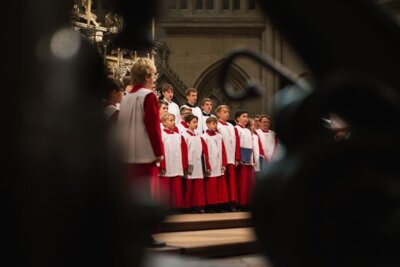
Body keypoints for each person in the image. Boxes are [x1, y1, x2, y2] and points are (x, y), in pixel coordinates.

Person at [117, 57, 165, 247]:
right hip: (144, 153)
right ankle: (146, 235)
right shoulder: (148, 96)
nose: (154, 79)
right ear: (147, 76)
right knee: (147, 195)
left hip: (127, 154)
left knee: (131, 195)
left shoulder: (127, 97)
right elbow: (153, 126)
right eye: (153, 75)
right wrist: (159, 152)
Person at [159, 113, 188, 214]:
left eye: (174, 120)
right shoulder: (162, 135)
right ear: (164, 123)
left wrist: (184, 165)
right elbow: (160, 151)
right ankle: (166, 207)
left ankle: (176, 206)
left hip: (177, 165)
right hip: (166, 166)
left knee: (176, 187)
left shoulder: (178, 136)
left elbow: (184, 152)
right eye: (170, 120)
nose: (173, 122)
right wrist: (162, 165)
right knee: (166, 187)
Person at [201, 116, 229, 213]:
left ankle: (219, 205)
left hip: (219, 163)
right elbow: (204, 153)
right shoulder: (204, 137)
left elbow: (223, 150)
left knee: (220, 187)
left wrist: (224, 164)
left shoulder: (219, 136)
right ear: (207, 124)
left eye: (216, 123)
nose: (215, 125)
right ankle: (211, 206)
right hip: (211, 164)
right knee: (211, 187)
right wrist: (207, 166)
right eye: (213, 123)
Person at [181, 114, 208, 213]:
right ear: (187, 123)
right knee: (189, 186)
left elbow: (203, 151)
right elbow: (184, 151)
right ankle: (188, 206)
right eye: (194, 122)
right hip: (190, 163)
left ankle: (198, 205)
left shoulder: (198, 135)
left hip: (198, 164)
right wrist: (185, 165)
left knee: (198, 187)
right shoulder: (184, 135)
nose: (196, 124)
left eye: (197, 122)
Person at [216, 105, 239, 211]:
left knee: (231, 181)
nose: (227, 114)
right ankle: (223, 203)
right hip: (222, 158)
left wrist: (237, 156)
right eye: (224, 112)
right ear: (218, 113)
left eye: (228, 112)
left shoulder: (231, 126)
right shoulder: (216, 125)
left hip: (232, 157)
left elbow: (236, 141)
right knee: (223, 182)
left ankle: (232, 202)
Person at [234, 110, 253, 210]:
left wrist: (252, 158)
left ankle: (247, 202)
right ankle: (240, 203)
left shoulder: (247, 130)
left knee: (247, 182)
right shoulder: (236, 129)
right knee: (241, 182)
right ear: (238, 118)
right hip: (241, 158)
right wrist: (238, 158)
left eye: (247, 116)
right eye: (244, 116)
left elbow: (251, 145)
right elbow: (236, 144)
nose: (246, 118)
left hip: (248, 157)